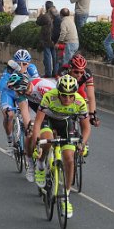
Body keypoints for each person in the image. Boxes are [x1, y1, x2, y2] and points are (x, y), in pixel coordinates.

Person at [29, 74, 91, 219]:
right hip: (48, 120)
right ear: (58, 92)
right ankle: (40, 164)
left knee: (69, 158)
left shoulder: (80, 101)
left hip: (65, 122)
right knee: (48, 139)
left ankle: (66, 197)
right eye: (63, 96)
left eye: (71, 96)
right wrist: (37, 143)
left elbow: (86, 128)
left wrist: (82, 143)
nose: (67, 99)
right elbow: (37, 122)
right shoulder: (49, 97)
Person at [0, 49, 39, 157]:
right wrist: (8, 73)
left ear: (29, 63)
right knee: (9, 115)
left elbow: (36, 83)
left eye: (24, 64)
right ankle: (10, 142)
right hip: (9, 94)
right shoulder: (10, 69)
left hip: (23, 94)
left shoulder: (32, 69)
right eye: (18, 63)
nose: (21, 66)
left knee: (29, 118)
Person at [58, 53, 100, 126]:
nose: (79, 75)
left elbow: (91, 96)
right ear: (70, 69)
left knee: (85, 116)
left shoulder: (87, 74)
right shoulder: (63, 71)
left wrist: (92, 115)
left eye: (81, 72)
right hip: (65, 90)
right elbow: (58, 90)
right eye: (76, 72)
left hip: (79, 89)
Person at [36, 1, 56, 77]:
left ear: (46, 7)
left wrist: (40, 13)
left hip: (47, 38)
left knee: (47, 57)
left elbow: (38, 22)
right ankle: (55, 73)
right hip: (55, 38)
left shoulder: (46, 16)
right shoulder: (55, 15)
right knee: (54, 56)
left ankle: (48, 73)